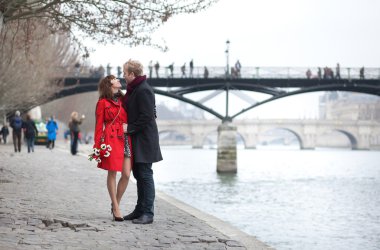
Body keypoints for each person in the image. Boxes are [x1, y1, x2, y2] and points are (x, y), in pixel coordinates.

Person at [122, 59, 163, 224]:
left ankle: (148, 213)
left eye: (125, 73)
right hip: (138, 138)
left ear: (132, 74)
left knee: (145, 174)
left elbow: (147, 116)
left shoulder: (144, 90)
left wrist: (129, 128)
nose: (123, 76)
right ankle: (139, 210)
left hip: (145, 139)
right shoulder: (134, 89)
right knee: (138, 174)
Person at [94, 75, 132, 222]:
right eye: (115, 79)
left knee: (127, 174)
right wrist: (97, 146)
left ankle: (115, 202)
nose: (118, 80)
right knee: (113, 173)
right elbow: (98, 126)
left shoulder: (124, 99)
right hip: (111, 139)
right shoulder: (102, 103)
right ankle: (116, 208)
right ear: (109, 85)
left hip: (125, 138)